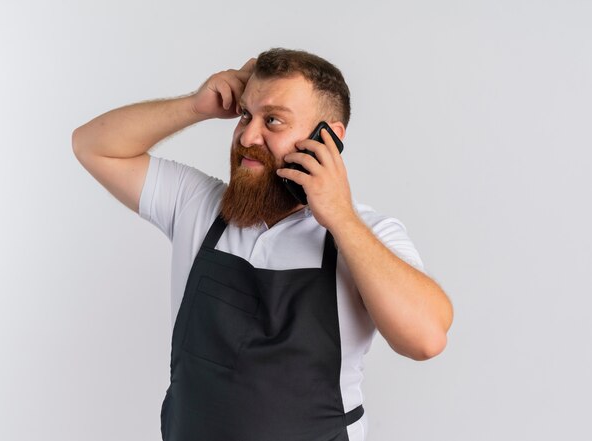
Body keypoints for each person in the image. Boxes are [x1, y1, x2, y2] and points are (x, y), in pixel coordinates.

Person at [72, 48, 453, 441]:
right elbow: (92, 145)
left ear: (330, 139)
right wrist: (195, 106)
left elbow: (426, 339)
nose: (248, 136)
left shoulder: (364, 234)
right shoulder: (198, 207)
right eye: (244, 116)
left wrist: (340, 217)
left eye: (273, 120)